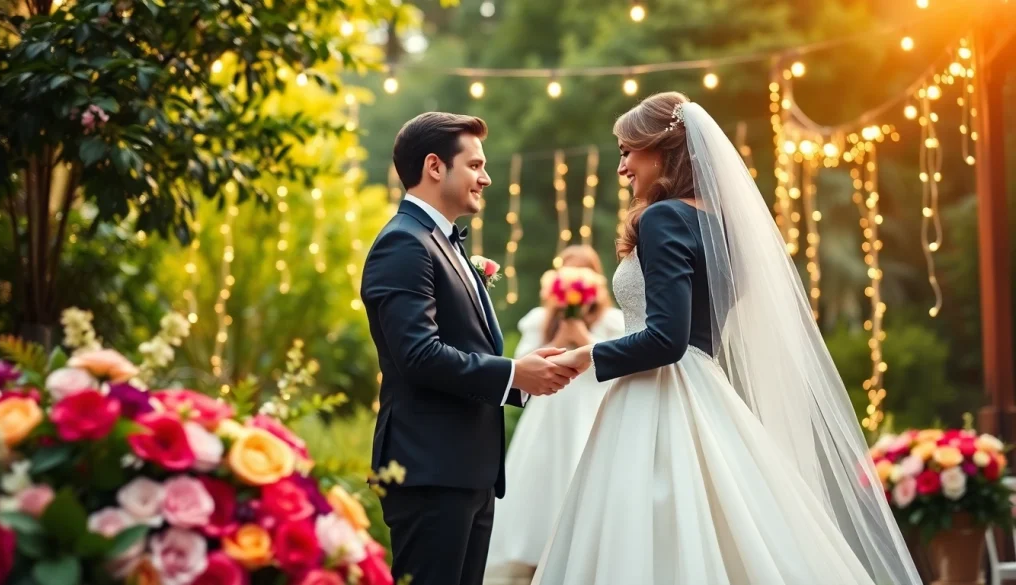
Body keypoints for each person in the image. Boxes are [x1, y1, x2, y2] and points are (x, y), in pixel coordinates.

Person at [533, 93, 922, 585]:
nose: (622, 167)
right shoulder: (723, 228)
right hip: (707, 389)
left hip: (659, 395)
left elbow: (667, 340)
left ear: (663, 149)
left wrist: (587, 354)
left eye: (628, 151)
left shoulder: (664, 217)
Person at [360, 112, 580, 585]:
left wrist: (522, 373)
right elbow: (418, 354)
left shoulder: (444, 243)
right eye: (476, 165)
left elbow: (464, 343)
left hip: (467, 470)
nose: (487, 177)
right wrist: (512, 375)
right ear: (436, 167)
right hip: (429, 469)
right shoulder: (403, 244)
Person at [483, 246, 624, 585]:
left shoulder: (611, 321)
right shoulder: (539, 320)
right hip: (550, 410)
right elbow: (520, 365)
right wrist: (562, 334)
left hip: (588, 409)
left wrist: (581, 335)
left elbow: (615, 368)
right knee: (541, 478)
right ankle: (533, 558)